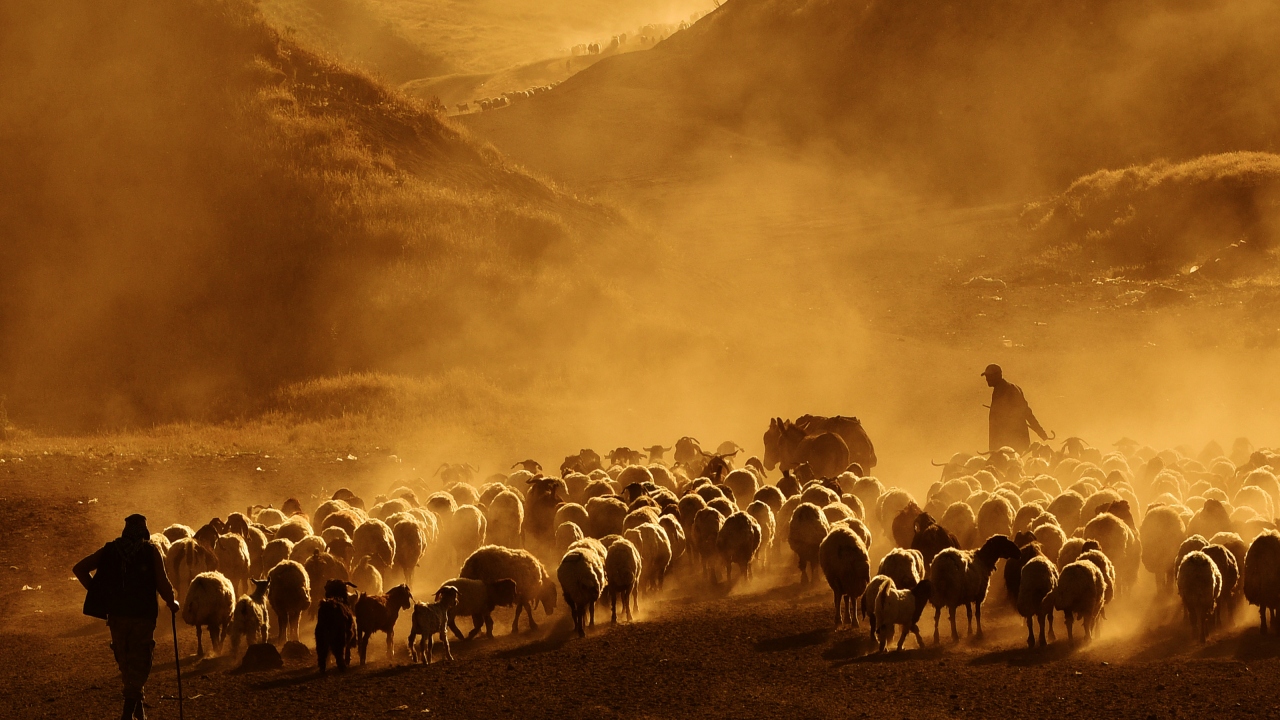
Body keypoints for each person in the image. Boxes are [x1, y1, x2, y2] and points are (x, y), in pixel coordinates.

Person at [73, 515, 179, 720]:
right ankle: (127, 711)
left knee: (125, 659)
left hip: (117, 616)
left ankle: (137, 707)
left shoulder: (111, 550)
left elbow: (79, 569)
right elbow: (162, 581)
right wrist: (172, 601)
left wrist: (97, 593)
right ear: (144, 531)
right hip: (143, 617)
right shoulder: (150, 551)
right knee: (141, 661)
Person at [981, 364, 1050, 454]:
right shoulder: (1002, 389)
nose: (987, 379)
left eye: (989, 376)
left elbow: (1025, 412)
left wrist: (1040, 431)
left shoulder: (1009, 390)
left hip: (1011, 443)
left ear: (997, 376)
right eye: (986, 376)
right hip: (1005, 443)